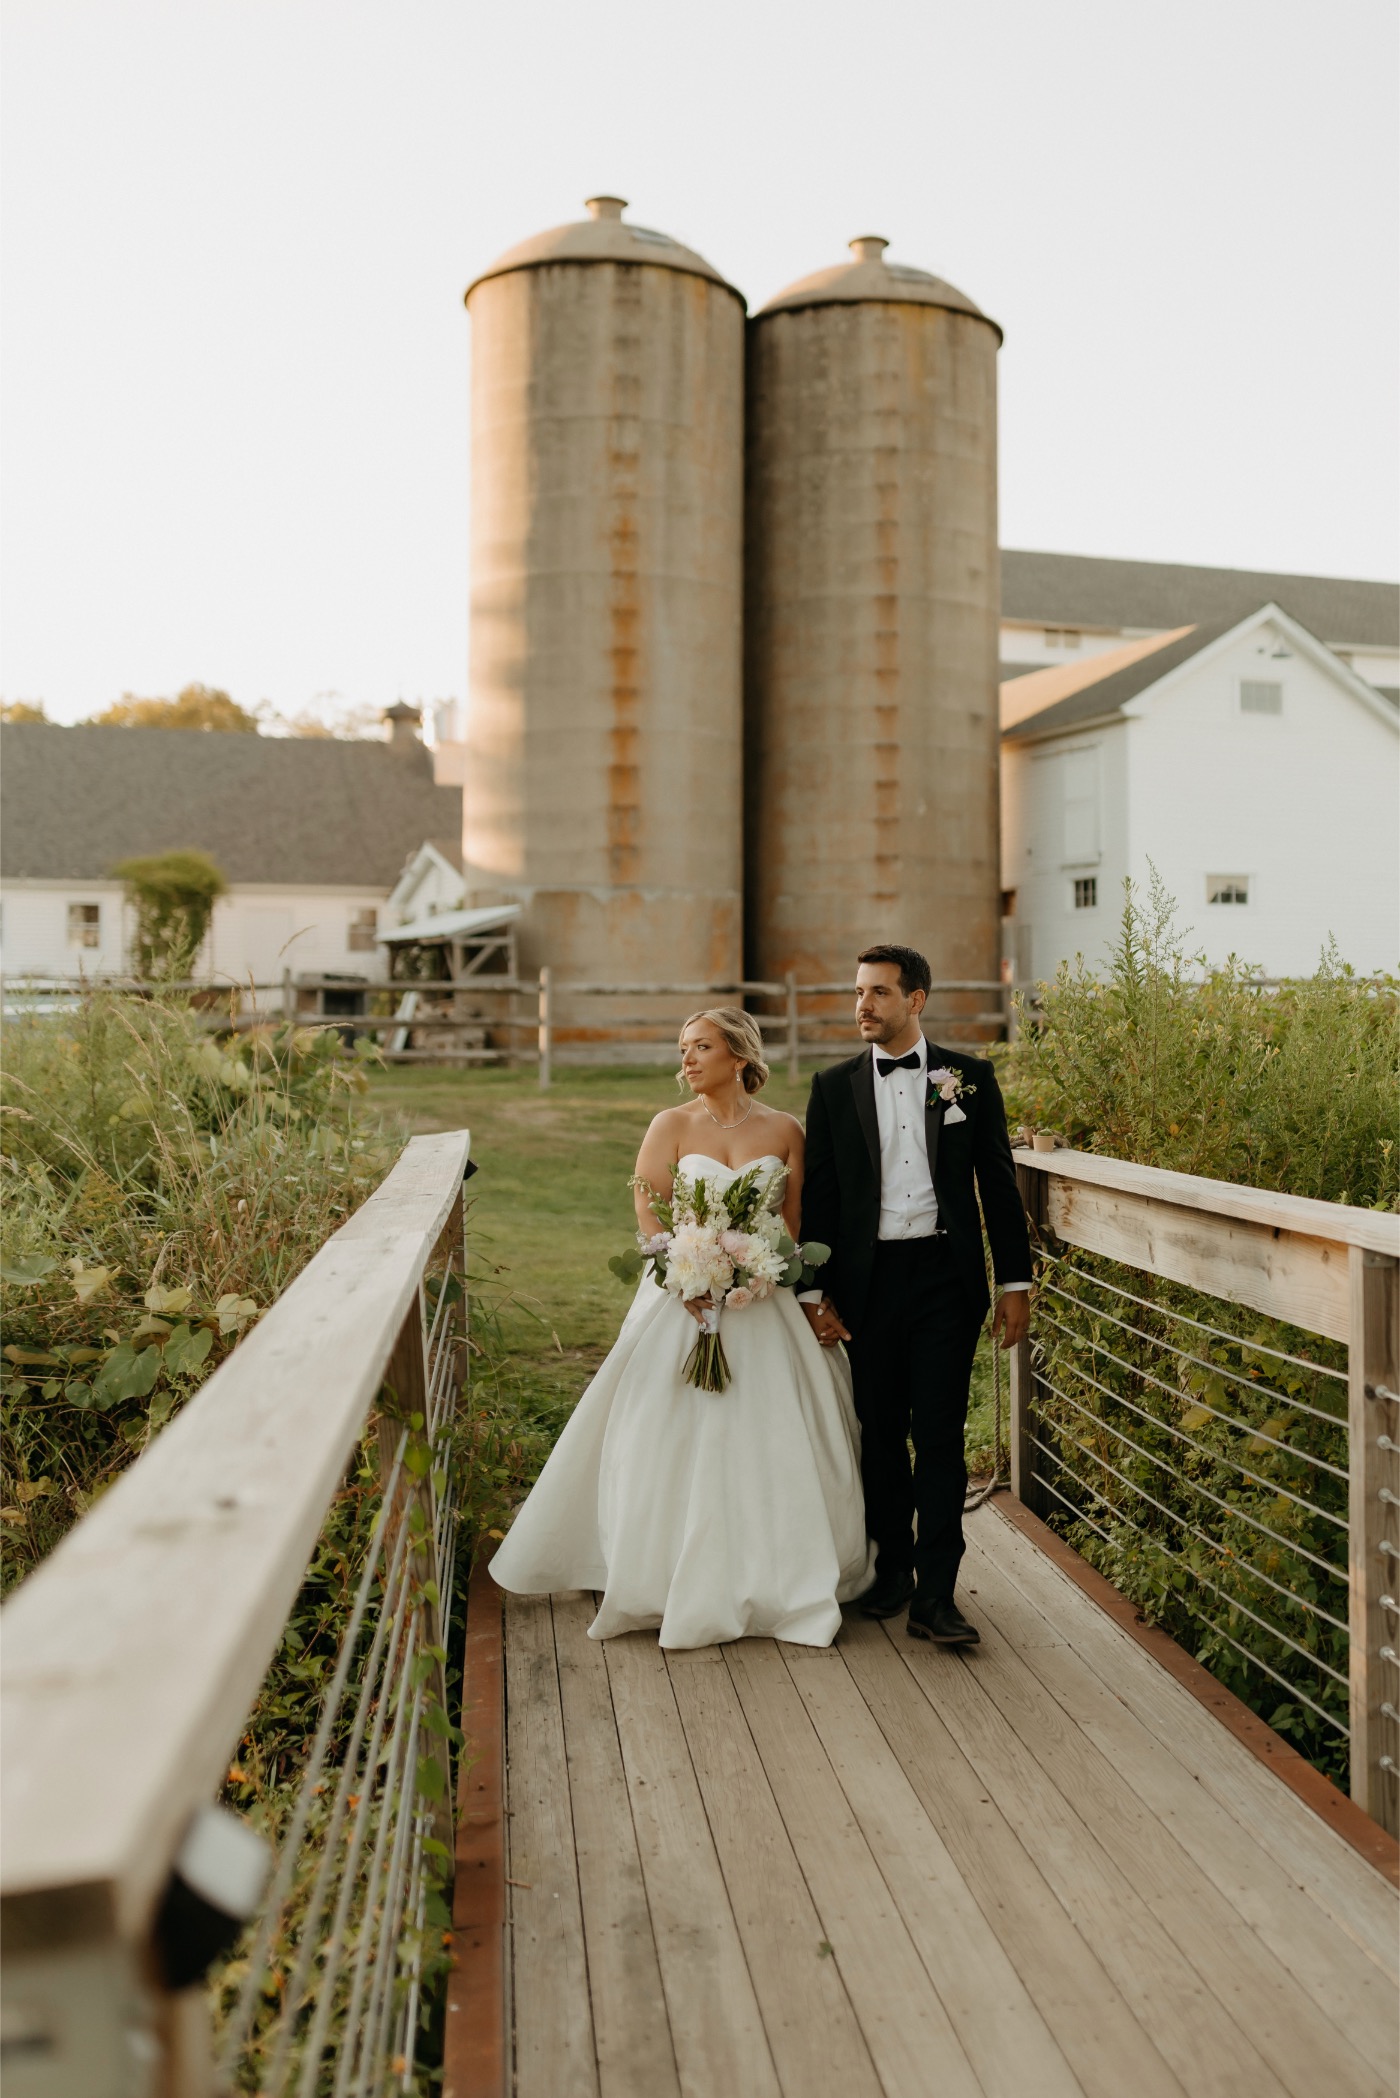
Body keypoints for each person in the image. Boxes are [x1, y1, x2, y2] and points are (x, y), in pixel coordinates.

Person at [488, 1007, 874, 1648]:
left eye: (701, 1047)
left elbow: (798, 1221)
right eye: (683, 1048)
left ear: (739, 1057)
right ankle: (660, 1572)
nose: (687, 1059)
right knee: (661, 1429)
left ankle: (778, 1572)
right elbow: (648, 1207)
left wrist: (776, 1277)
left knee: (774, 1433)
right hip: (684, 1297)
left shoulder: (785, 1128)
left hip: (763, 1299)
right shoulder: (670, 1124)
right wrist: (684, 1273)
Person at [799, 944, 1032, 1645]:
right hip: (866, 1285)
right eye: (858, 992)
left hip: (943, 1280)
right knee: (878, 1434)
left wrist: (1014, 1282)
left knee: (938, 1437)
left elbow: (998, 1184)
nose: (863, 1005)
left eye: (879, 992)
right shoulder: (833, 1087)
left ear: (916, 1000)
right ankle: (892, 1570)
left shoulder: (968, 1078)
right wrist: (814, 1291)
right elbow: (820, 1198)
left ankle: (937, 1595)